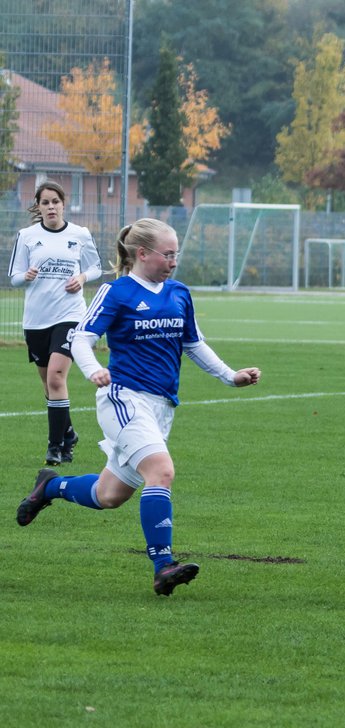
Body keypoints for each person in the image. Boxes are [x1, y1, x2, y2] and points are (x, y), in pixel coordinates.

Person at [15, 218, 262, 597]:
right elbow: (82, 337)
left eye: (176, 254)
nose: (174, 261)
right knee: (161, 472)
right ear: (142, 254)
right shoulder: (118, 292)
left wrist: (231, 376)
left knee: (108, 495)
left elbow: (193, 344)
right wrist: (95, 369)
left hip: (161, 407)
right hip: (123, 399)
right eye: (168, 254)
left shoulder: (179, 292)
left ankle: (50, 487)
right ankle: (163, 567)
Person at [8, 181, 103, 466]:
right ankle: (70, 432)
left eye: (55, 201)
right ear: (38, 207)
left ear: (64, 203)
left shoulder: (80, 234)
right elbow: (13, 277)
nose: (51, 207)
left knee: (56, 378)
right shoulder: (26, 236)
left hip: (70, 315)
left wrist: (82, 278)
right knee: (50, 387)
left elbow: (96, 267)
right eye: (45, 202)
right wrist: (26, 276)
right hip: (36, 320)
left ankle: (55, 446)